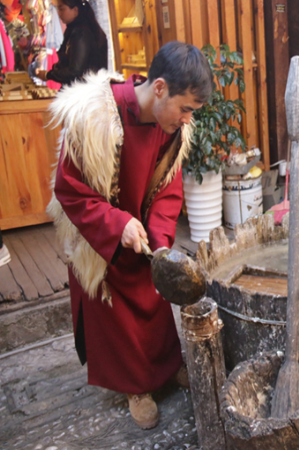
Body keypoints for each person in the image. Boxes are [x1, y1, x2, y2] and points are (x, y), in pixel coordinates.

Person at [47, 41, 212, 429]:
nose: (187, 119)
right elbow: (70, 189)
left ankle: (166, 367)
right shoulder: (92, 117)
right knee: (117, 316)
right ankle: (135, 387)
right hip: (102, 236)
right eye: (185, 108)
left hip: (143, 232)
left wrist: (159, 239)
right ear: (159, 89)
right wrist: (116, 224)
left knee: (154, 302)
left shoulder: (171, 127)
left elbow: (168, 188)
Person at [36, 0, 107, 86]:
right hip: (86, 88)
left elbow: (75, 71)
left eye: (62, 9)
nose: (59, 13)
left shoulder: (81, 33)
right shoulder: (75, 30)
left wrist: (48, 75)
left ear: (75, 10)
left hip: (85, 90)